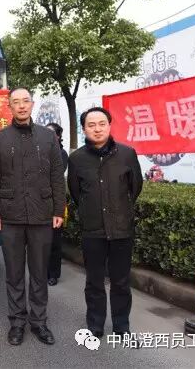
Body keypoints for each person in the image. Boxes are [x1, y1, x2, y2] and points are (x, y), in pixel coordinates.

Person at [0, 87, 65, 346]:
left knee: (40, 273)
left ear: (32, 104)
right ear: (9, 106)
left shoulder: (48, 137)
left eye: (25, 101)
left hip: (42, 214)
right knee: (14, 273)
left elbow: (57, 176)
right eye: (16, 102)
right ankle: (17, 322)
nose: (21, 106)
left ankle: (39, 322)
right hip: (10, 215)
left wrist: (58, 209)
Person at [67, 107, 143, 338]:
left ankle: (122, 326)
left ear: (109, 126)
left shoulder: (127, 154)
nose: (97, 129)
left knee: (121, 282)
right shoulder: (77, 159)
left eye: (102, 124)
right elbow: (76, 192)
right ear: (84, 129)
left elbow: (135, 187)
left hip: (121, 229)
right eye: (91, 125)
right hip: (93, 231)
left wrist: (120, 210)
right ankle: (95, 325)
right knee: (94, 282)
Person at [45, 122, 68, 287]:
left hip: (55, 204)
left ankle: (53, 274)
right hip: (39, 204)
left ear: (58, 136)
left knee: (54, 242)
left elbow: (55, 175)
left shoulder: (62, 153)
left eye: (52, 133)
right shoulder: (37, 150)